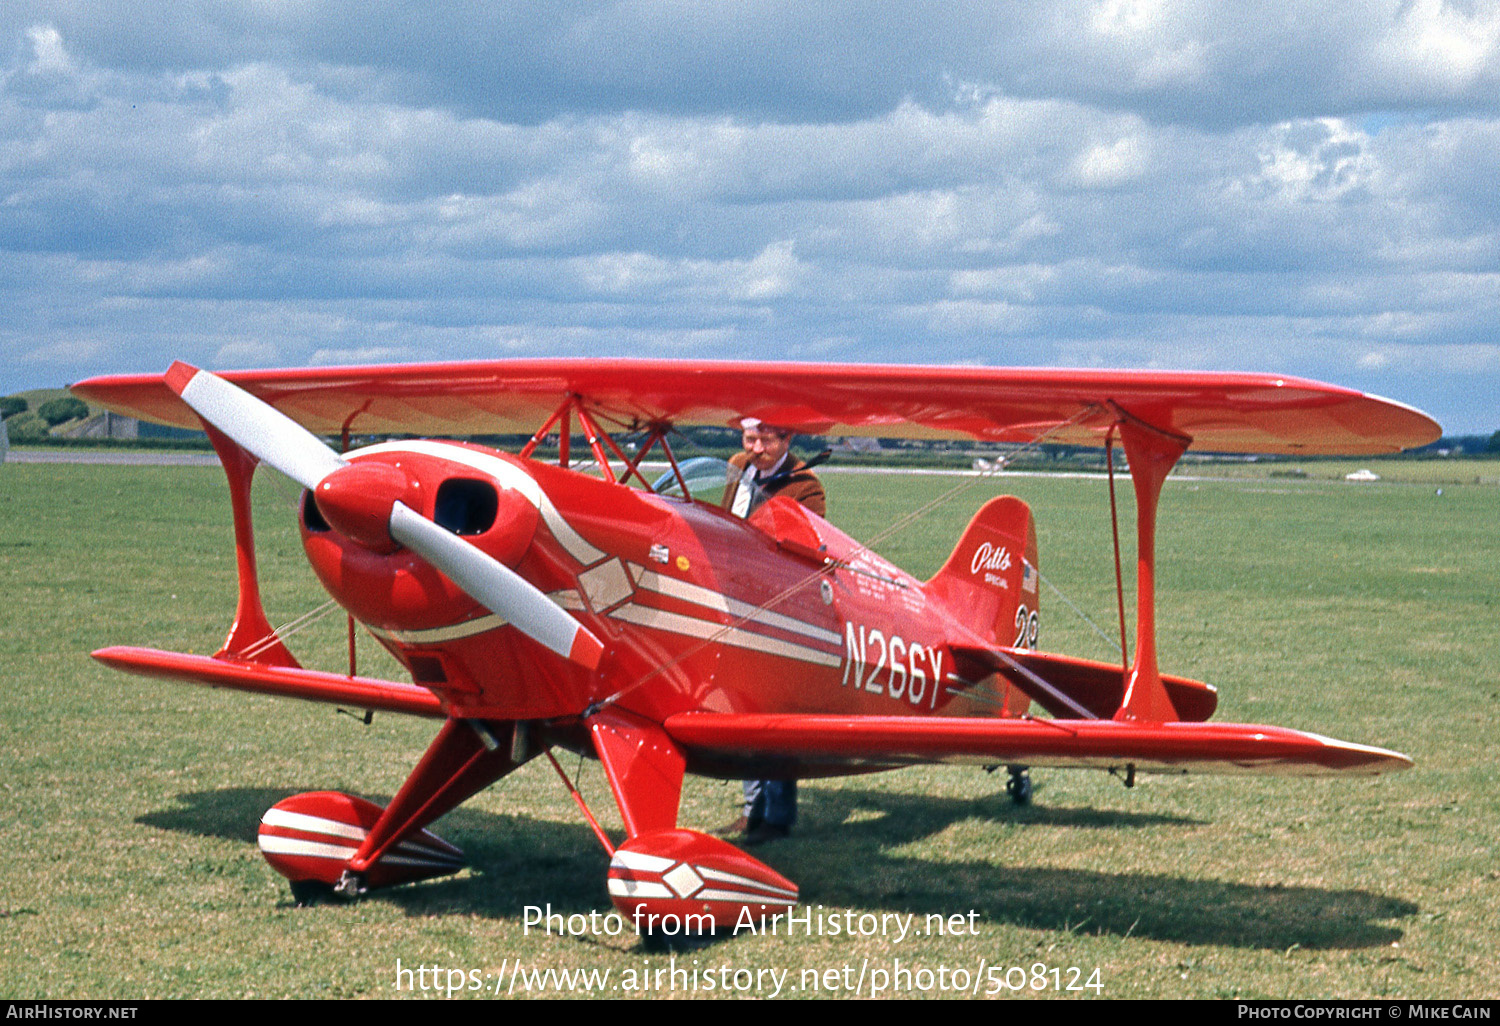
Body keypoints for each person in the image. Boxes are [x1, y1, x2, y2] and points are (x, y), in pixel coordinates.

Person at [717, 419, 825, 844]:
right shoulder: (736, 466)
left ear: (787, 440)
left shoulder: (806, 485)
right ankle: (751, 811)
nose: (755, 448)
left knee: (772, 706)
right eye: (749, 439)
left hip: (779, 603)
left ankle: (775, 817)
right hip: (733, 595)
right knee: (739, 704)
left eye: (765, 440)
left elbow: (807, 544)